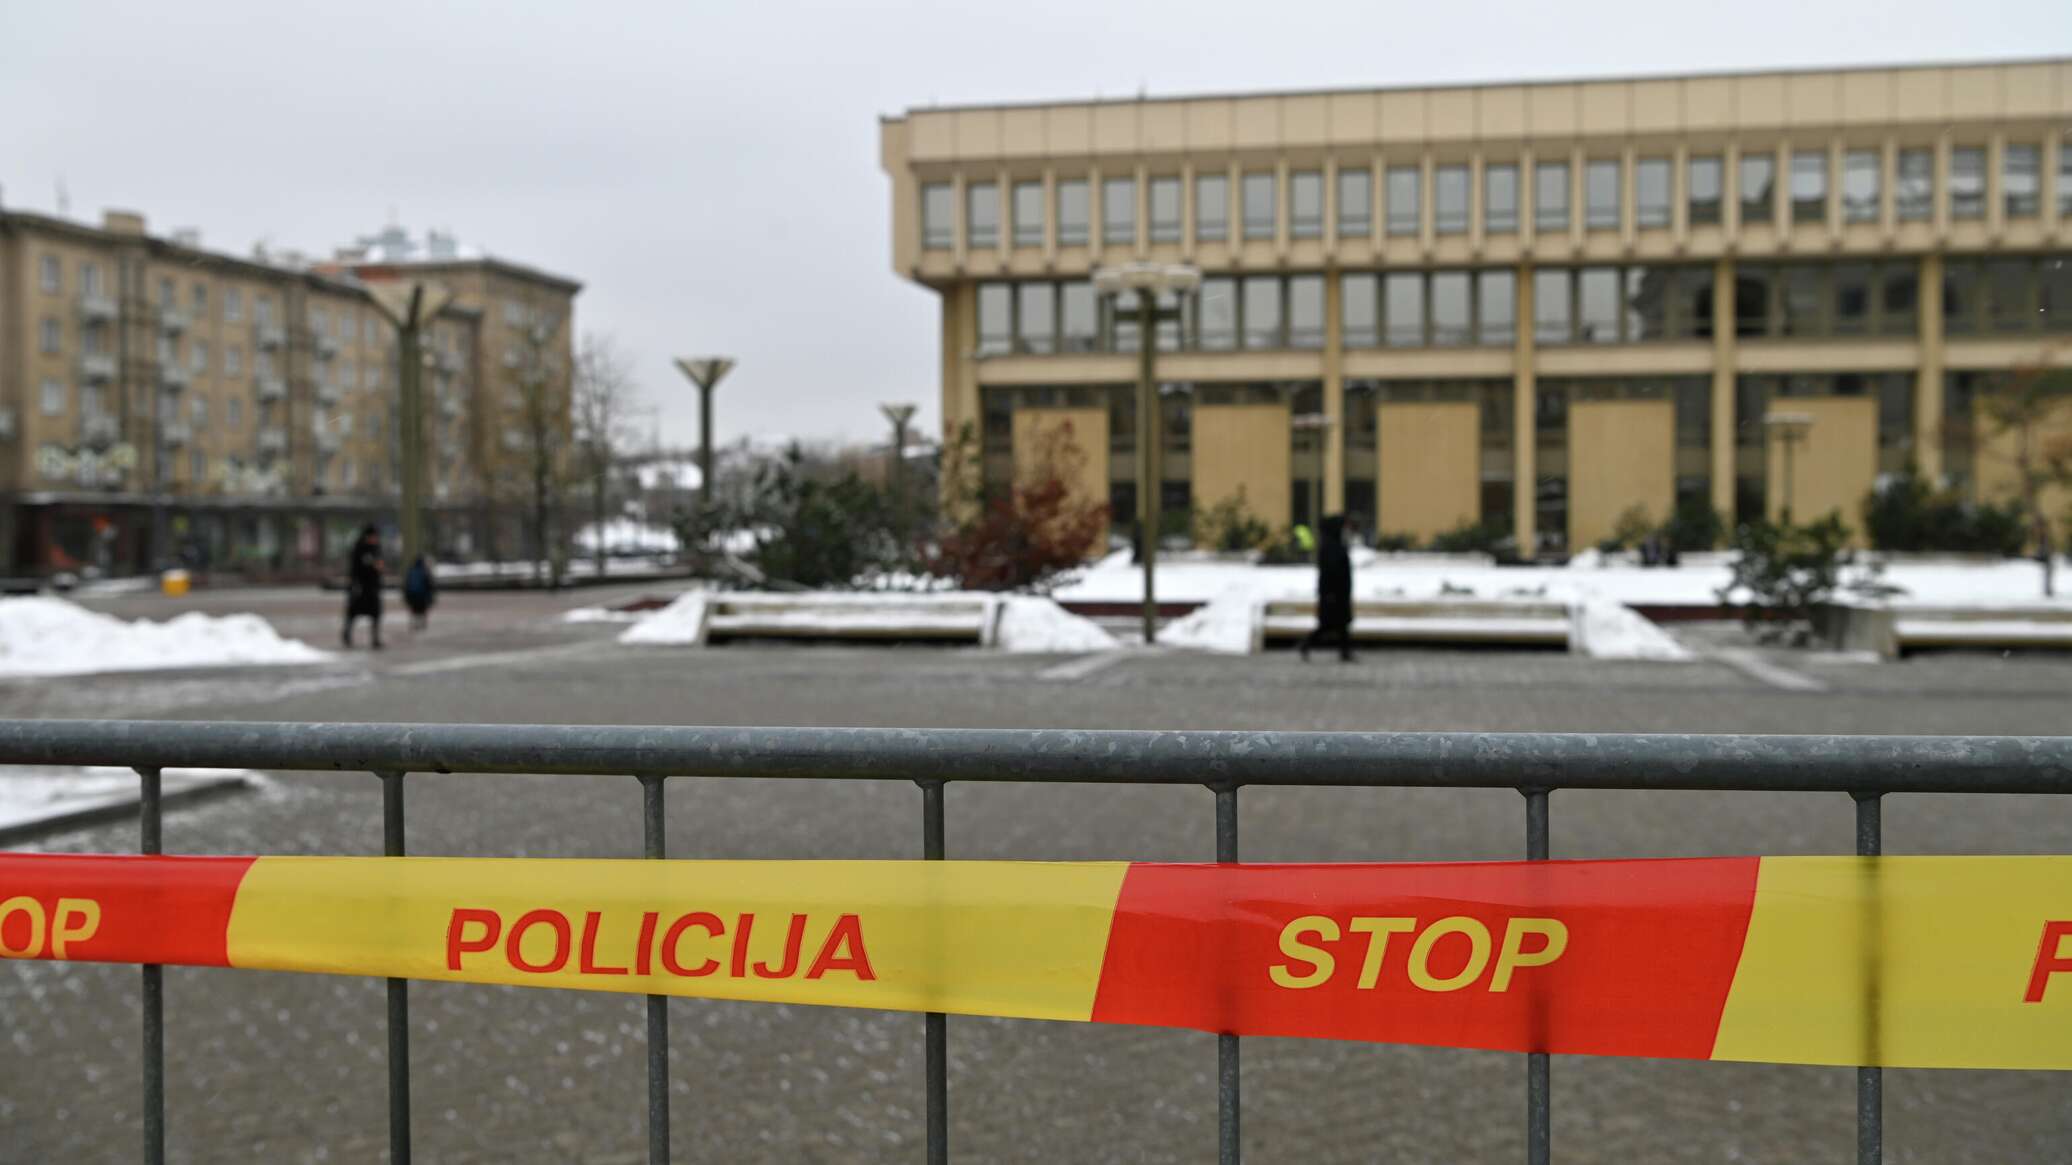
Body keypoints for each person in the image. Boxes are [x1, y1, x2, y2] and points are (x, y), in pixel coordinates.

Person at [1299, 514, 1355, 663]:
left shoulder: (1333, 545)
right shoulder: (1332, 547)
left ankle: (1345, 652)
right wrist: (1330, 593)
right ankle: (1307, 644)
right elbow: (1332, 573)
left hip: (1338, 593)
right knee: (1329, 625)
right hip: (1334, 594)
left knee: (1339, 625)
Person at [342, 525, 385, 649]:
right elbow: (355, 569)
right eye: (373, 537)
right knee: (353, 613)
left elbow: (379, 565)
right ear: (367, 536)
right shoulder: (359, 549)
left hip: (373, 588)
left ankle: (375, 638)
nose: (375, 539)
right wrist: (354, 584)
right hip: (360, 587)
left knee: (376, 613)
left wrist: (378, 568)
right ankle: (347, 634)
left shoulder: (376, 548)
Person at [402, 554, 436, 631]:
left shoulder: (411, 571)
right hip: (422, 595)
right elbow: (429, 585)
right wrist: (431, 596)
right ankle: (422, 624)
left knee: (414, 610)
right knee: (422, 610)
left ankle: (414, 624)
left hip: (412, 595)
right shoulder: (424, 571)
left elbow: (406, 584)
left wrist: (406, 596)